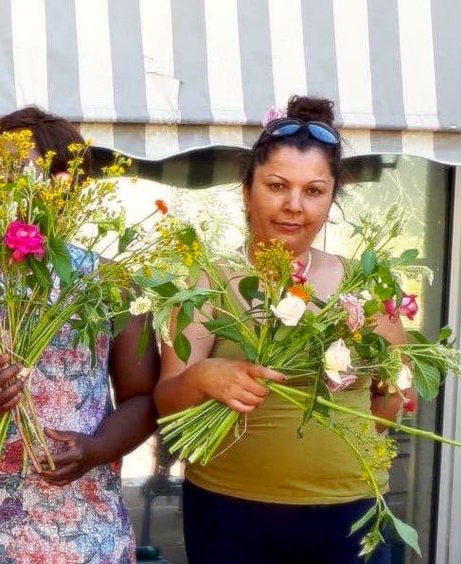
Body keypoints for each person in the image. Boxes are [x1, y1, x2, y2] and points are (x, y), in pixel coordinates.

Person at [153, 95, 405, 563]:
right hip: (229, 510)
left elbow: (390, 399)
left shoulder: (368, 285)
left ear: (332, 199)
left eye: (313, 190)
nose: (294, 206)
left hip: (348, 512)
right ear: (247, 191)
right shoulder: (207, 280)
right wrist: (204, 378)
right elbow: (165, 400)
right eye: (276, 186)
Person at [0, 106, 157, 562]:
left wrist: (95, 448)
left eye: (28, 173)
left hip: (82, 529)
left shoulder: (108, 282)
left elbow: (142, 399)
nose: (11, 188)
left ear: (68, 185)